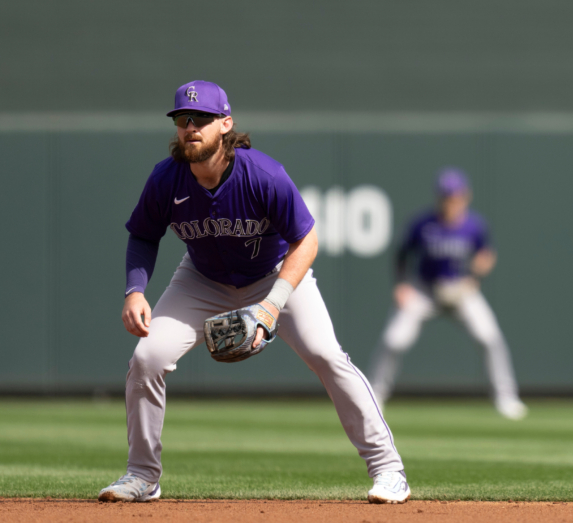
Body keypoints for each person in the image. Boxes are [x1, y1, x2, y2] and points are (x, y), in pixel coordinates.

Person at [98, 80, 410, 504]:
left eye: (202, 119)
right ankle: (142, 475)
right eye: (182, 119)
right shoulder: (166, 179)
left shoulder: (262, 174)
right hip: (201, 278)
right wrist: (135, 291)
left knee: (326, 355)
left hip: (273, 275)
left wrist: (272, 304)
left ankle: (389, 470)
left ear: (225, 124)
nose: (191, 127)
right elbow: (143, 235)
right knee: (147, 358)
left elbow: (308, 241)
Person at [367, 168, 527, 420]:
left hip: (461, 290)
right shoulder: (423, 224)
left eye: (455, 196)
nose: (451, 201)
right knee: (394, 339)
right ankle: (375, 395)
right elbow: (402, 254)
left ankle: (506, 397)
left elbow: (486, 253)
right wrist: (401, 284)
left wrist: (478, 272)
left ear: (466, 196)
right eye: (446, 196)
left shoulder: (475, 225)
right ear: (439, 197)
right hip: (425, 290)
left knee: (489, 337)